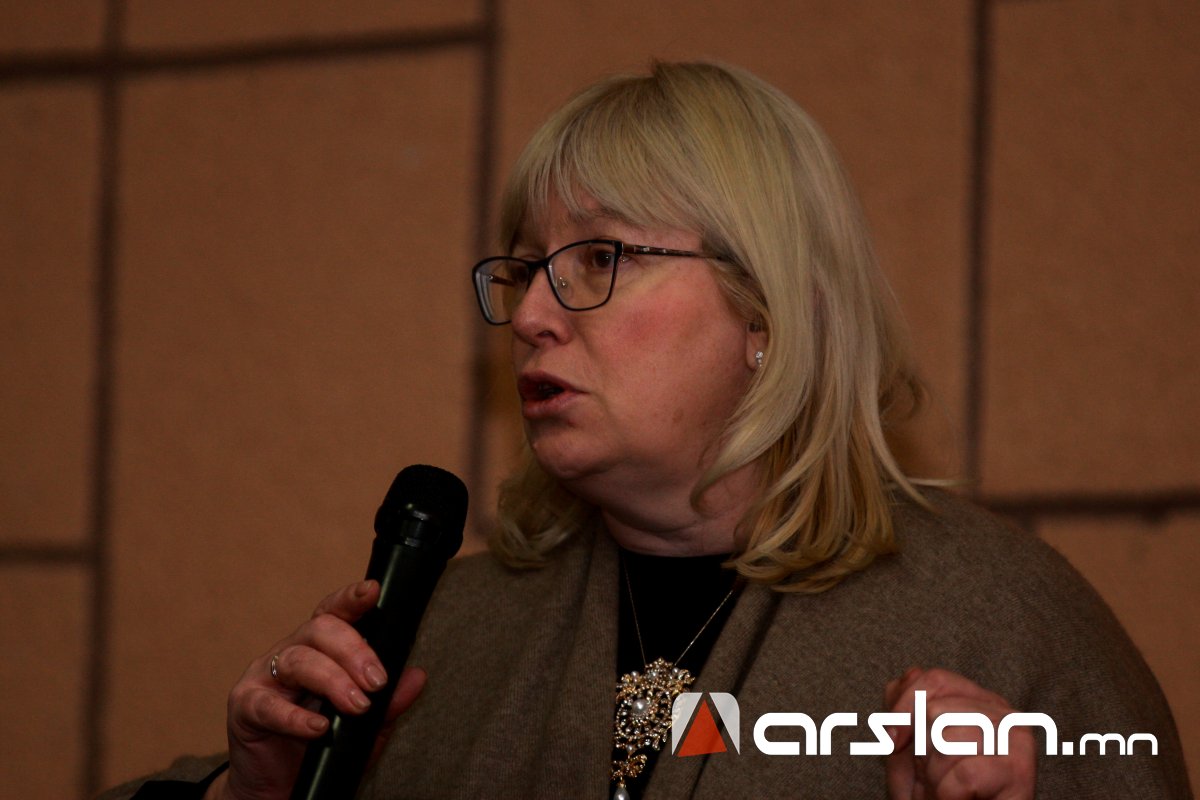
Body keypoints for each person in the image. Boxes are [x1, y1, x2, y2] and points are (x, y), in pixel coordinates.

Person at [100, 61, 1192, 800]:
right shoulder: (442, 633)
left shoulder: (1001, 618)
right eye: (528, 268)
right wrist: (251, 797)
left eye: (598, 259)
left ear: (767, 313)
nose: (532, 314)